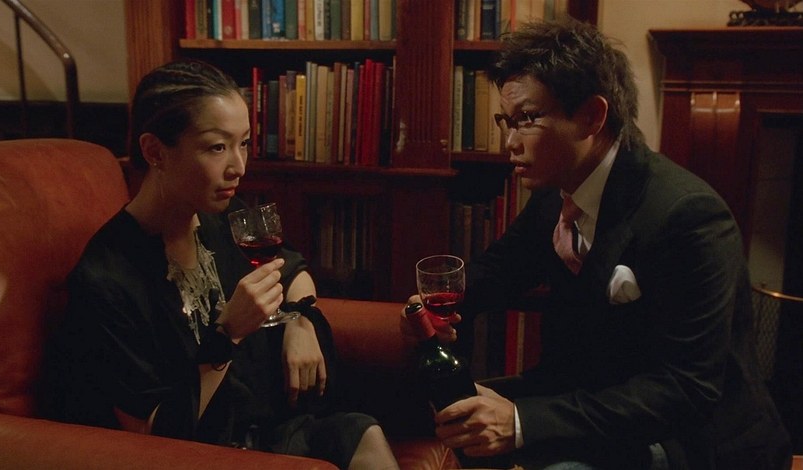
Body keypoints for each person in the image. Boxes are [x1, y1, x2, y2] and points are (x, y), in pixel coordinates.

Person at [402, 18, 791, 469]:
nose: (509, 142)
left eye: (526, 119)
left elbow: (686, 389)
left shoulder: (688, 216)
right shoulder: (556, 192)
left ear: (591, 116)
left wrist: (521, 422)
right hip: (594, 400)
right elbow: (498, 271)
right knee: (448, 412)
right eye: (506, 121)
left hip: (694, 438)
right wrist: (430, 312)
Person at [40, 59, 398, 470]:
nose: (239, 167)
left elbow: (291, 267)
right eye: (216, 147)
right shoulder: (105, 276)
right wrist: (228, 334)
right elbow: (151, 432)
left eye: (243, 143)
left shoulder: (227, 218)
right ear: (155, 151)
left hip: (268, 430)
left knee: (364, 433)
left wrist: (300, 321)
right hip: (200, 452)